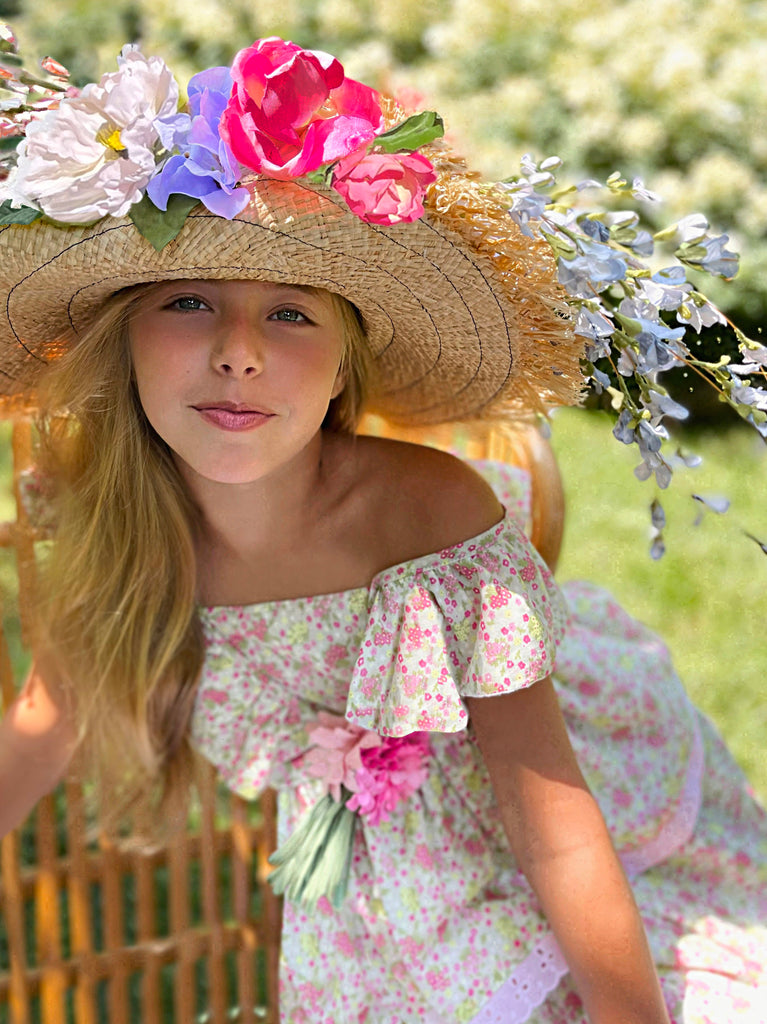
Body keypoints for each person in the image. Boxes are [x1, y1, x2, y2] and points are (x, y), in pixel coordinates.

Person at [0, 33, 765, 1024]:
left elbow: (552, 825)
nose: (237, 352)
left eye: (290, 315)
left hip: (545, 833)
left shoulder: (425, 520)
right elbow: (38, 730)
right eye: (187, 301)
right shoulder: (118, 526)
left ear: (342, 372)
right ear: (121, 342)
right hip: (372, 886)